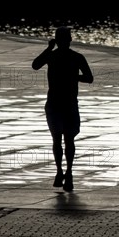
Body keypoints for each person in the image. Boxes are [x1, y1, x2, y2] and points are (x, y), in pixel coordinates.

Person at [32, 26, 94, 192]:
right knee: (69, 140)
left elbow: (35, 65)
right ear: (70, 39)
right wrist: (74, 77)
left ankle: (60, 171)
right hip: (68, 104)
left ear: (57, 40)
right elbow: (89, 78)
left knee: (57, 140)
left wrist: (48, 48)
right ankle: (68, 173)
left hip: (54, 103)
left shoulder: (52, 56)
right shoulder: (77, 57)